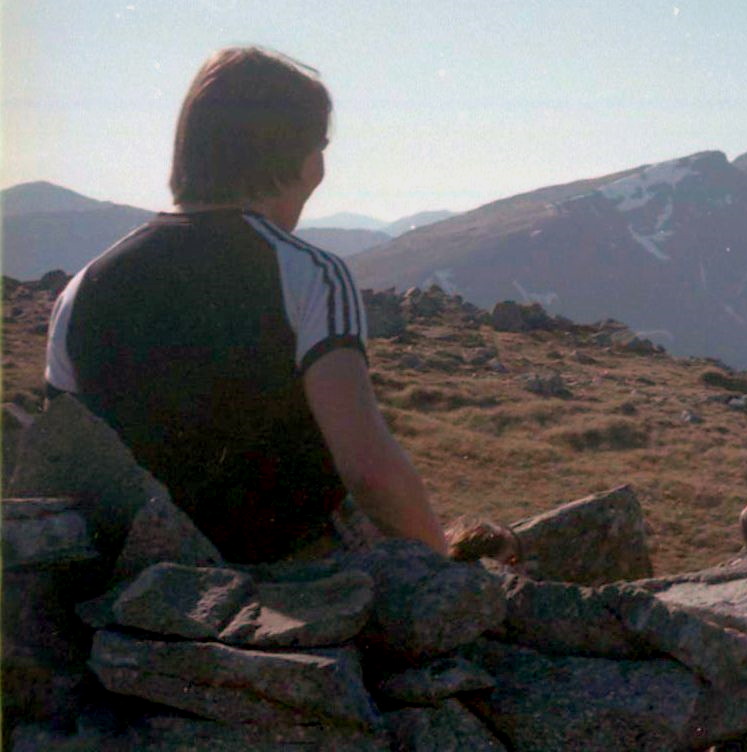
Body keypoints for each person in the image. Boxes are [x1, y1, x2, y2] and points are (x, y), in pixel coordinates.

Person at [43, 47, 447, 563]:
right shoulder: (309, 274)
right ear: (291, 156)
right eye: (318, 145)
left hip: (136, 596)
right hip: (297, 594)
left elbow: (66, 463)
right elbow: (369, 470)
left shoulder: (82, 288)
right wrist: (447, 574)